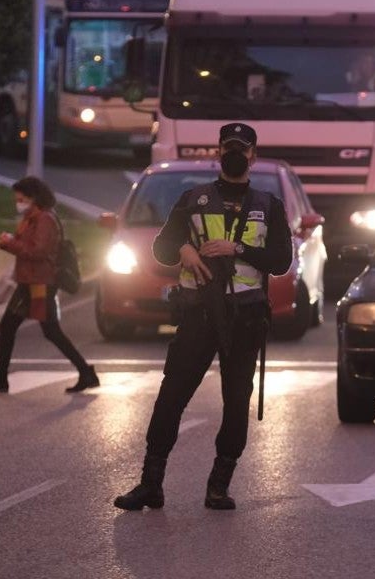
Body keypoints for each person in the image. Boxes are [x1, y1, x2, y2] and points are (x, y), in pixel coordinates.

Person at [114, 122, 292, 512]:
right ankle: (150, 484)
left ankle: (218, 486)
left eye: (242, 149)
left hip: (244, 319)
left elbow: (281, 261)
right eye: (228, 147)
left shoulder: (268, 206)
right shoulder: (193, 200)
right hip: (198, 315)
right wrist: (184, 251)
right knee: (171, 397)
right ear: (217, 153)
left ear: (253, 156)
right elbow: (161, 247)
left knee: (235, 403)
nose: (235, 154)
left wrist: (237, 247)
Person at [0, 176, 98, 395]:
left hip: (39, 283)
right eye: (17, 199)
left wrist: (10, 243)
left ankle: (86, 372)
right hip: (29, 282)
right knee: (17, 327)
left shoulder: (45, 220)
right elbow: (30, 245)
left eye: (22, 199)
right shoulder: (33, 218)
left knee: (45, 330)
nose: (18, 203)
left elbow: (38, 251)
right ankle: (1, 377)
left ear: (34, 198)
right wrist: (13, 241)